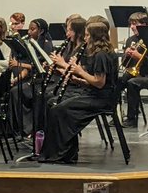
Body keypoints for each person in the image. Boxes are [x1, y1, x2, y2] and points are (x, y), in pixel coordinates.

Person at [39, 21, 117, 163]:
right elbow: (93, 82)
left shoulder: (101, 55)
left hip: (101, 99)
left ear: (95, 37)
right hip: (92, 94)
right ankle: (64, 152)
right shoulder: (96, 53)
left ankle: (64, 153)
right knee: (55, 105)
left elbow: (99, 83)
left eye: (87, 35)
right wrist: (77, 79)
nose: (85, 38)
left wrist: (80, 71)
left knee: (59, 109)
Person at [120, 12, 148, 128]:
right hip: (135, 73)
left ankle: (132, 119)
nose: (131, 27)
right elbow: (125, 64)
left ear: (145, 25)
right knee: (118, 81)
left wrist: (140, 57)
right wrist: (126, 55)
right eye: (130, 24)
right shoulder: (131, 40)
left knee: (132, 83)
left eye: (135, 24)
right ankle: (114, 114)